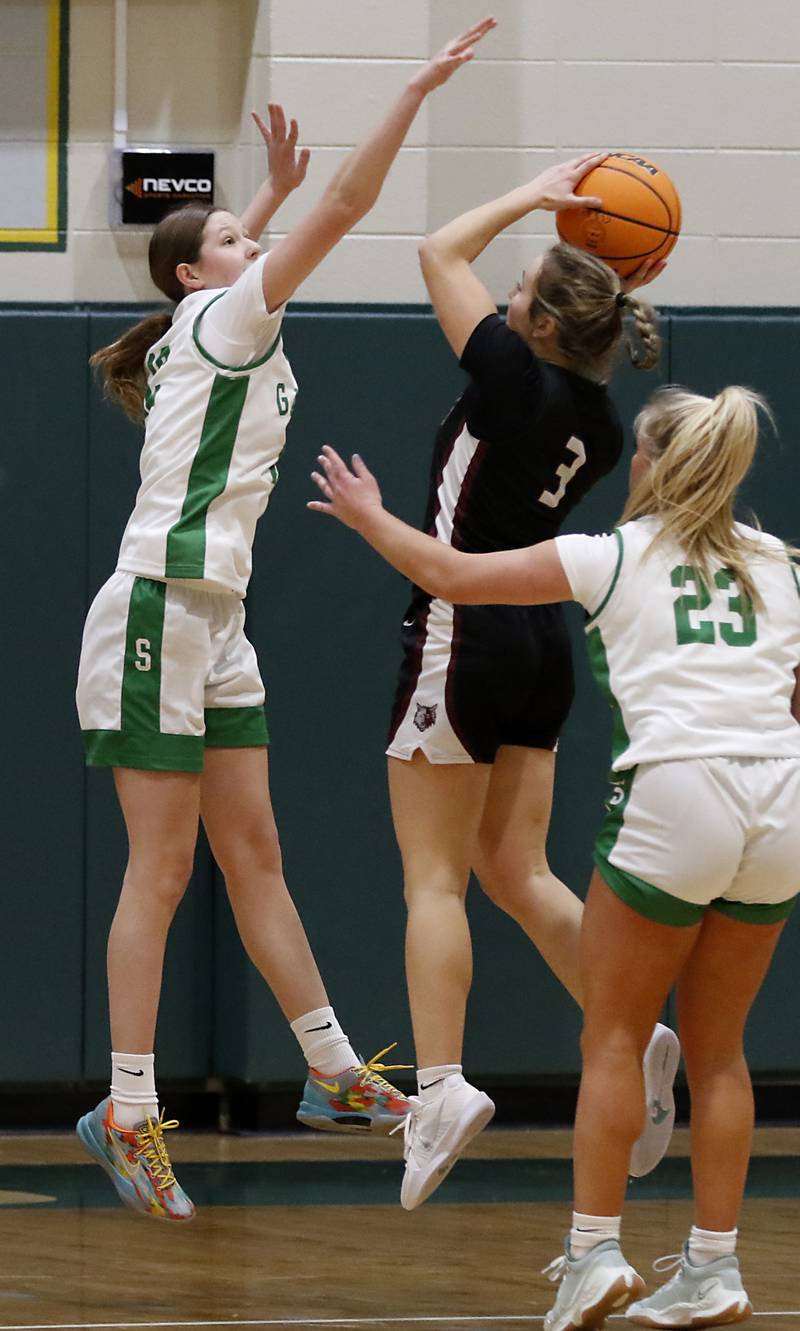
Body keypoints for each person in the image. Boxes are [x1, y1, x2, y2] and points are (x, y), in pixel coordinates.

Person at [74, 16, 497, 1223]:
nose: (254, 239)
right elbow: (345, 208)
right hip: (158, 603)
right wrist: (409, 91)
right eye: (234, 237)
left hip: (219, 617)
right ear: (198, 276)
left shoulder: (200, 320)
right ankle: (128, 1102)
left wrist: (254, 195)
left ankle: (327, 1070)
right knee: (160, 870)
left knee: (254, 855)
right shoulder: (222, 316)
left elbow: (222, 251)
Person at [309, 384, 800, 1326]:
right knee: (723, 1051)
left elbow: (452, 575)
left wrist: (369, 518)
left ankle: (594, 1253)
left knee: (615, 1034)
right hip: (777, 796)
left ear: (651, 464)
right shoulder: (778, 562)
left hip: (680, 787)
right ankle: (715, 1267)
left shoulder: (610, 554)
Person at [316, 155, 670, 1210]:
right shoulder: (599, 423)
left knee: (435, 878)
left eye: (520, 291)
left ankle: (438, 1085)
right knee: (517, 871)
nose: (504, 295)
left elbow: (435, 250)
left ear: (546, 329)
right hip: (540, 644)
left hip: (461, 628)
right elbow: (477, 277)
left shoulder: (513, 376)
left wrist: (531, 193)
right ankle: (630, 1023)